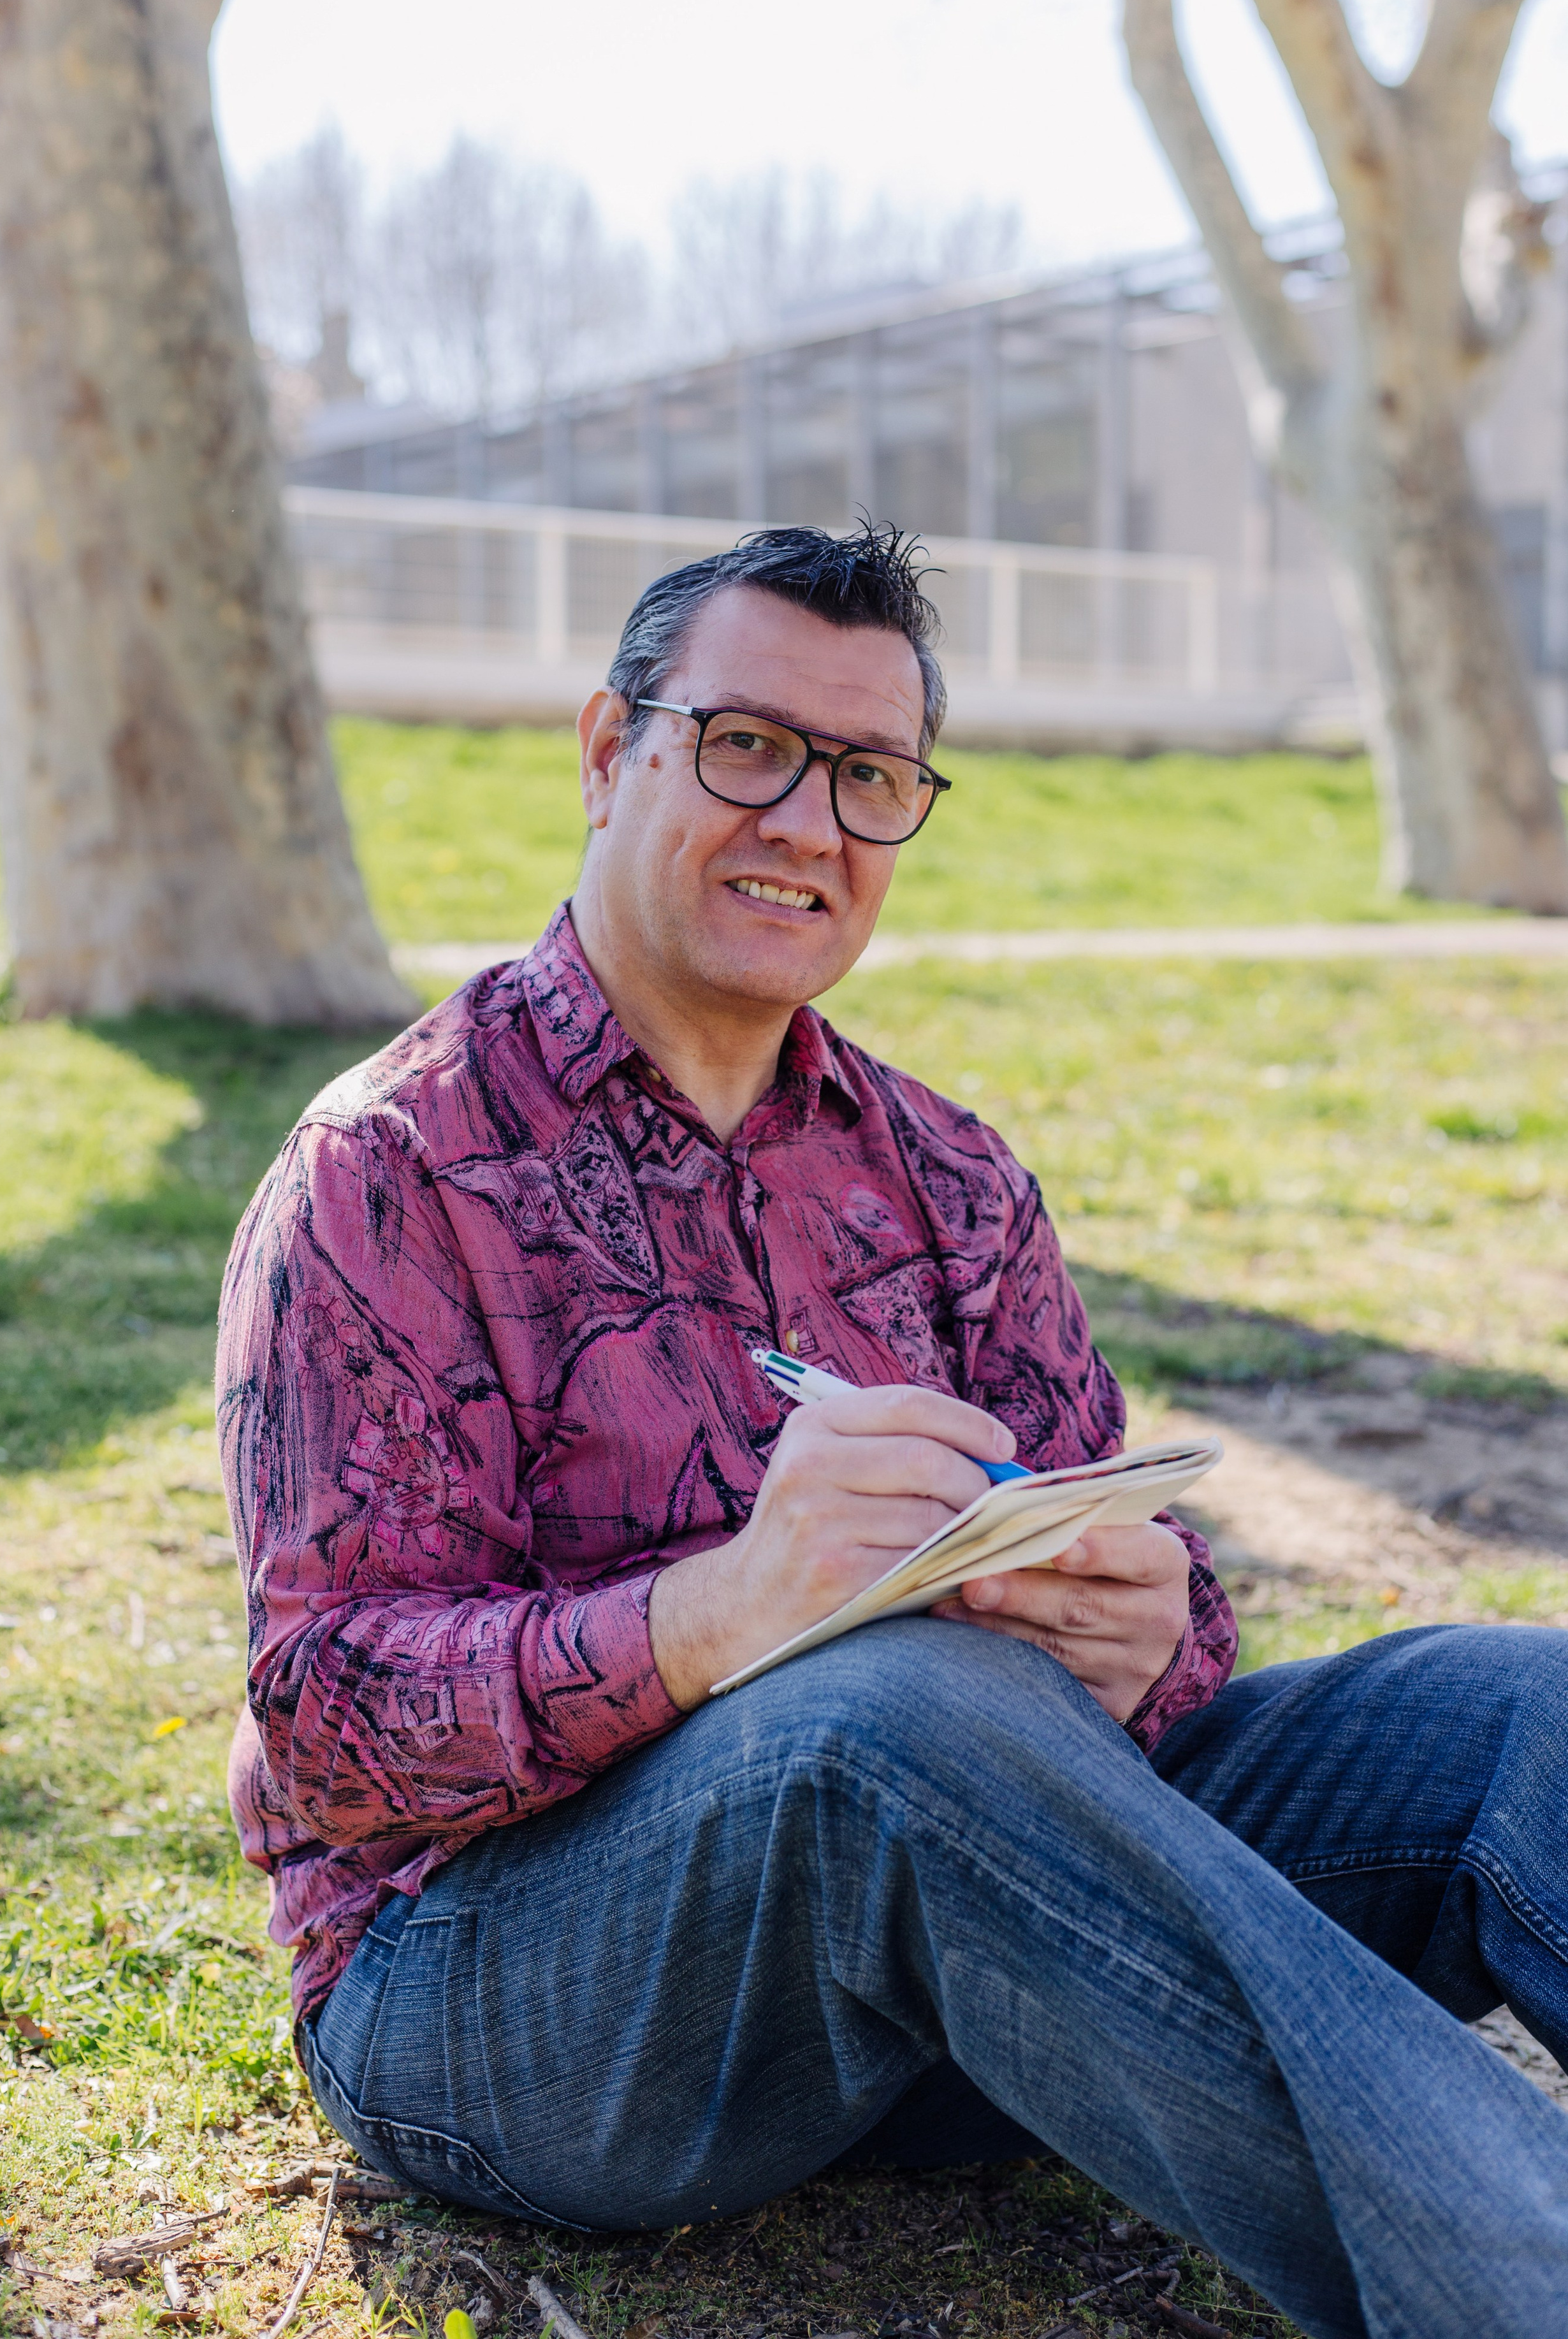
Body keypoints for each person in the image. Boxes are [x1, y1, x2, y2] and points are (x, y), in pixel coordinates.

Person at [217, 525, 1568, 2339]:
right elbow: (324, 1729)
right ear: (610, 755)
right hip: (493, 2003)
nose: (808, 824)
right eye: (747, 746)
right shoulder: (386, 1170)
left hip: (943, 1965)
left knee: (1520, 1714)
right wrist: (725, 1615)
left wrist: (1150, 1631)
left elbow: (1153, 1625)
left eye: (868, 777)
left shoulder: (946, 1174)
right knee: (879, 1717)